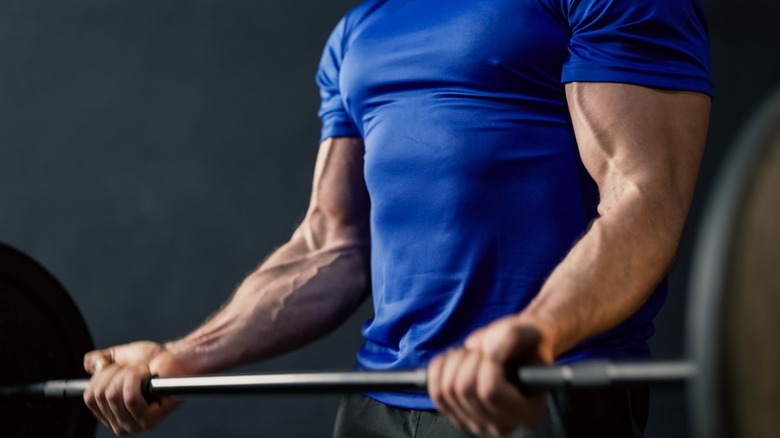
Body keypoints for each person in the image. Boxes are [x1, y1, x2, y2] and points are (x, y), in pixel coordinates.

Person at [82, 0, 712, 436]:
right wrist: (179, 359)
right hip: (376, 406)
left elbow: (643, 197)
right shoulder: (361, 28)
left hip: (531, 394)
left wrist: (538, 331)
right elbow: (331, 243)